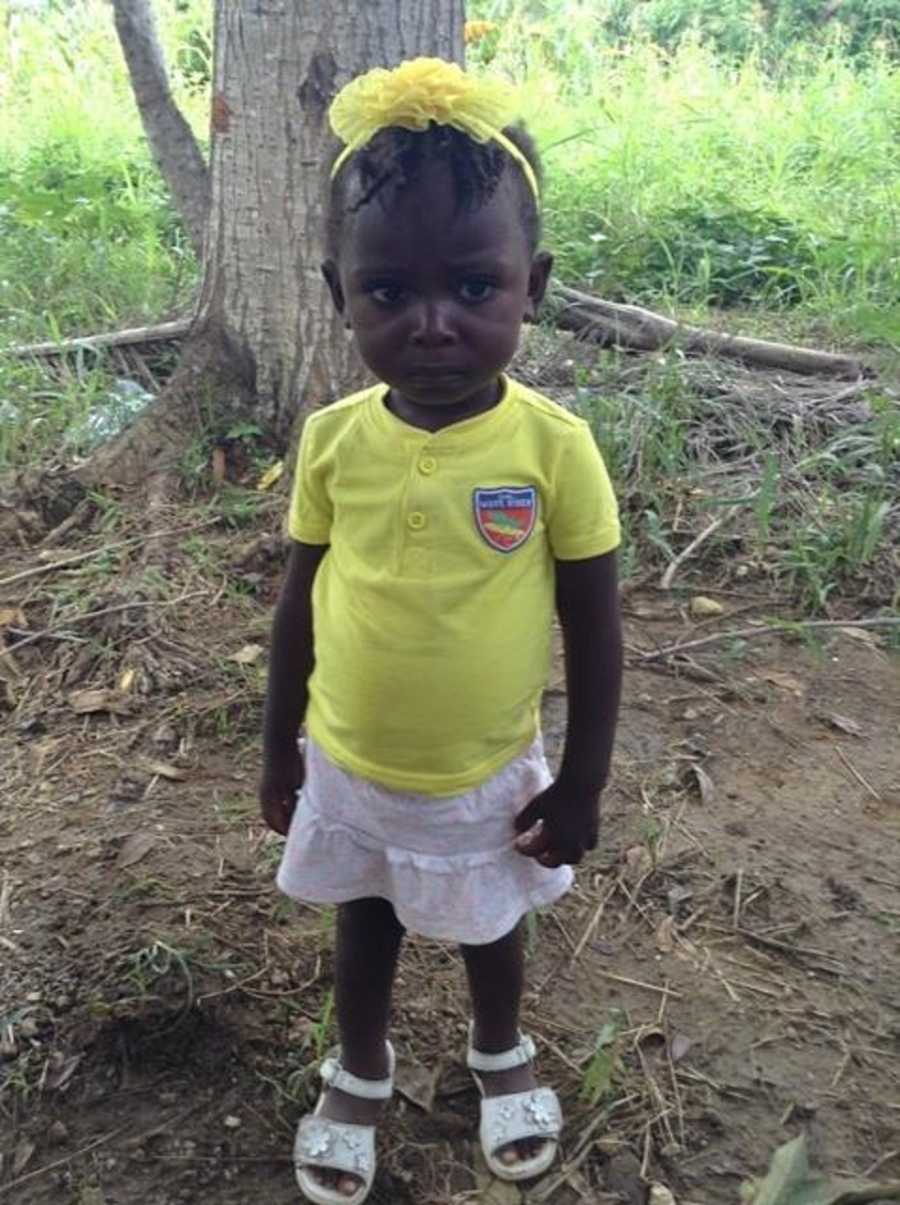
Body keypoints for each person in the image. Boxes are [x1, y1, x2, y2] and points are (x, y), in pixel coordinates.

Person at [259, 58, 623, 1205]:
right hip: (354, 758)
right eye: (387, 293)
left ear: (536, 284)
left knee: (488, 921)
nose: (431, 324)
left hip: (484, 773)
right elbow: (299, 602)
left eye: (474, 286)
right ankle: (360, 1064)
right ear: (339, 291)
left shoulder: (553, 449)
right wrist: (279, 749)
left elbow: (597, 629)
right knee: (363, 918)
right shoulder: (331, 440)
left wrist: (583, 787)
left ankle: (496, 1050)